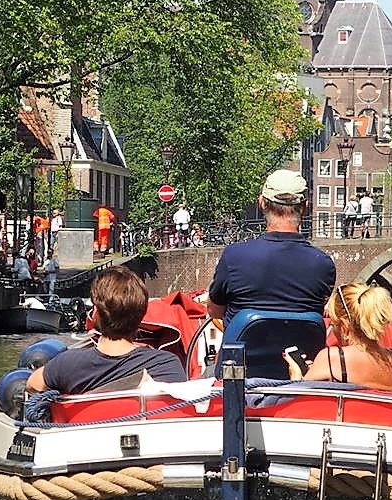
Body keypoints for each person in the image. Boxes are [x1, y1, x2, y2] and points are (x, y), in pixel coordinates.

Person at [26, 266, 187, 395]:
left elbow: (32, 385)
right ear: (141, 316)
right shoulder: (167, 365)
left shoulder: (66, 365)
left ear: (96, 313)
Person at [206, 169, 336, 328]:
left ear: (261, 203)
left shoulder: (234, 257)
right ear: (305, 207)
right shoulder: (323, 265)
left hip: (245, 345)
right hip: (301, 345)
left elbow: (214, 311)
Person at [284, 282, 392, 391]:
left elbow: (299, 401)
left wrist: (295, 377)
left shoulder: (333, 358)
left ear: (344, 326)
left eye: (334, 324)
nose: (333, 329)